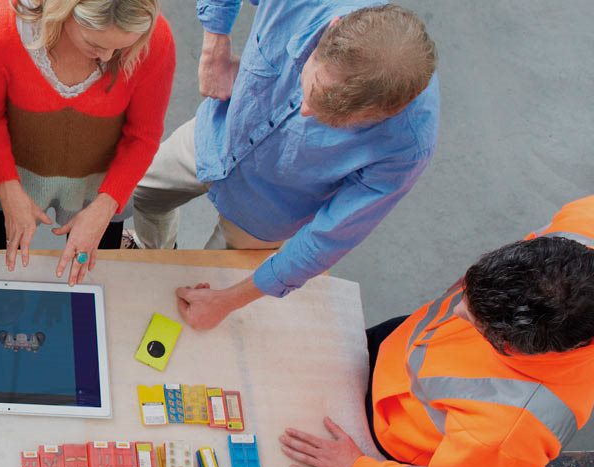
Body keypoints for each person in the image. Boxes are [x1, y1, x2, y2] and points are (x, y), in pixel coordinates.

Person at [130, 1, 440, 329]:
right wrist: (215, 45)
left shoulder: (407, 145)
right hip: (219, 133)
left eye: (331, 121)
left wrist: (226, 300)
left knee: (208, 279)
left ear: (385, 114)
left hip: (267, 211)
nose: (305, 112)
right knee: (144, 193)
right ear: (331, 30)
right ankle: (153, 251)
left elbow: (326, 239)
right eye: (311, 89)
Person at [278, 196, 594, 467]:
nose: (457, 307)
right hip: (401, 344)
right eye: (470, 290)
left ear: (518, 347)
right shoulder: (582, 227)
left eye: (476, 322)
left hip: (395, 436)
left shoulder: (508, 434)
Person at [0, 0, 175, 284]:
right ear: (62, 10)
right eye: (95, 43)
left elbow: (144, 136)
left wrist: (104, 208)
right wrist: (7, 188)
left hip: (100, 184)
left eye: (122, 47)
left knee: (91, 273)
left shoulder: (155, 38)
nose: (107, 56)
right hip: (9, 171)